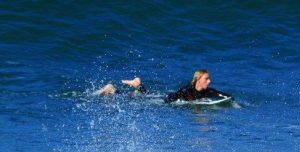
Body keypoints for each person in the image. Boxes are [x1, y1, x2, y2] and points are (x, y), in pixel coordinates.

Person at [96, 69, 232, 103]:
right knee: (143, 98)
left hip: (169, 98)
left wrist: (232, 101)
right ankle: (112, 90)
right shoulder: (187, 90)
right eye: (206, 79)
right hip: (164, 98)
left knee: (144, 95)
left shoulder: (208, 91)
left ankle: (138, 84)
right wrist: (166, 103)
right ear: (198, 80)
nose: (209, 81)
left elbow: (224, 96)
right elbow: (171, 98)